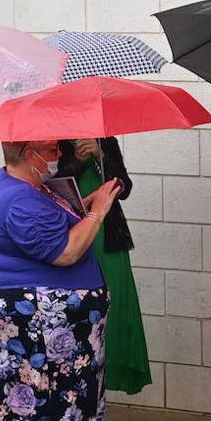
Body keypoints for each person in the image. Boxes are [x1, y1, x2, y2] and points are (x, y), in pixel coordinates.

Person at [0, 139, 121, 421]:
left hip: (52, 324)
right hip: (41, 325)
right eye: (51, 150)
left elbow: (58, 226)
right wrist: (99, 214)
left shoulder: (25, 188)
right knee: (48, 407)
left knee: (53, 404)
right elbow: (64, 253)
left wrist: (86, 207)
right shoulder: (17, 199)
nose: (59, 155)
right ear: (28, 153)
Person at [58, 137, 151, 395]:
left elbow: (124, 187)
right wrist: (77, 161)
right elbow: (52, 189)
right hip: (74, 233)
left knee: (114, 304)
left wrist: (100, 156)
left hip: (108, 237)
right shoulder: (56, 139)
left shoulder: (105, 139)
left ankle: (105, 381)